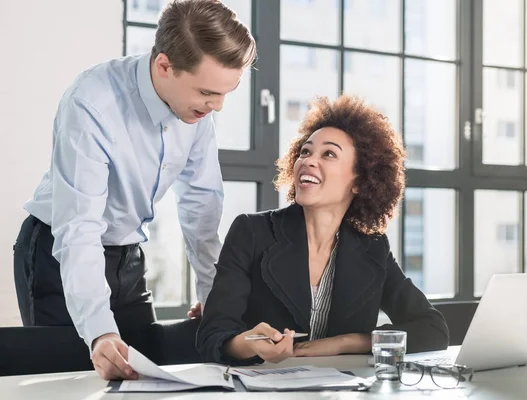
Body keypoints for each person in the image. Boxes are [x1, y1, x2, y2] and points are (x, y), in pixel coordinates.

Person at [13, 0, 255, 380]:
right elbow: (78, 227)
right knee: (71, 378)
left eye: (227, 93)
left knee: (142, 374)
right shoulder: (92, 102)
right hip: (57, 254)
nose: (219, 107)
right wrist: (100, 332)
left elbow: (201, 209)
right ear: (164, 66)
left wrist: (215, 298)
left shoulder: (199, 108)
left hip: (128, 255)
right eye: (209, 92)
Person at [196, 95, 449, 366]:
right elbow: (213, 336)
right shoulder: (252, 232)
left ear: (361, 182)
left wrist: (347, 343)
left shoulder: (372, 247)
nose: (308, 161)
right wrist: (251, 344)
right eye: (305, 151)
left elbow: (432, 329)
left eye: (328, 154)